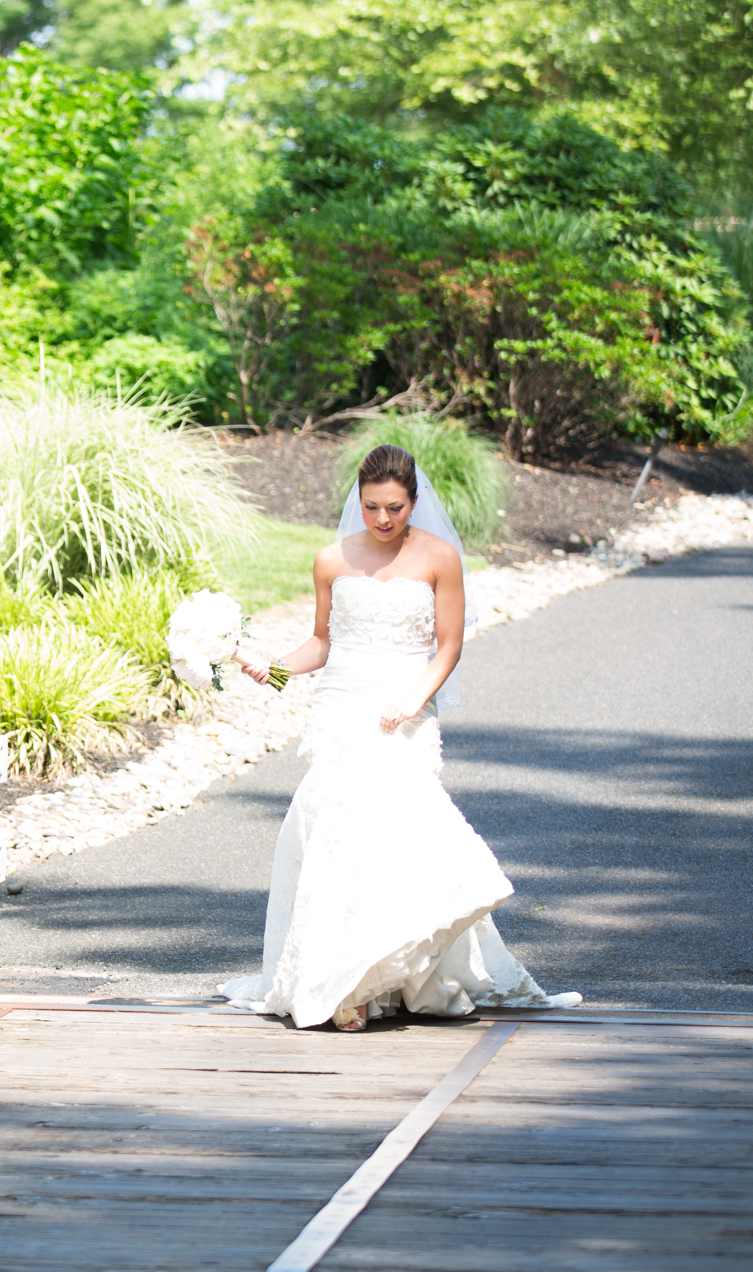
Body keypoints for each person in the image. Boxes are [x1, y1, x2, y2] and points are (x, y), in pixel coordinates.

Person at [223, 442, 579, 1032]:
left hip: (404, 709)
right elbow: (324, 641)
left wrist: (414, 699)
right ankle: (344, 985)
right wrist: (276, 667)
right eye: (370, 507)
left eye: (393, 507)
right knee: (338, 837)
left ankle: (389, 975)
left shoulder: (439, 558)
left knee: (398, 839)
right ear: (357, 502)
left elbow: (449, 645)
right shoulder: (331, 559)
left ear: (414, 501)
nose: (382, 519)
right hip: (343, 708)